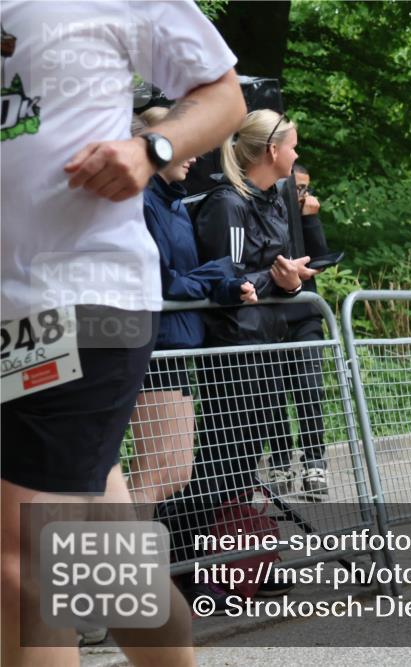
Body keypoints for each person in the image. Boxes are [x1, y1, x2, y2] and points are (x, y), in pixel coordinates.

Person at [0, 2, 245, 664]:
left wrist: (151, 148)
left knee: (25, 565)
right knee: (107, 563)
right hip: (8, 319)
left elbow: (223, 96)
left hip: (80, 300)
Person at [158, 109, 313, 605]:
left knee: (243, 466)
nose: (296, 155)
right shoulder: (227, 203)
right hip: (234, 349)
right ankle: (183, 565)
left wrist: (287, 282)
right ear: (271, 150)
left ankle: (239, 565)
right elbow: (231, 280)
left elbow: (263, 278)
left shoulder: (275, 200)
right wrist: (276, 280)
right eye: (291, 146)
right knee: (218, 464)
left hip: (266, 343)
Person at [128, 107, 257, 515]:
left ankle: (120, 566)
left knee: (175, 472)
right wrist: (214, 274)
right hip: (154, 344)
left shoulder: (176, 204)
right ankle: (111, 571)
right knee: (153, 473)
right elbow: (163, 282)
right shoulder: (142, 203)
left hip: (181, 343)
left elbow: (189, 274)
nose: (196, 156)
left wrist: (228, 284)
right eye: (184, 144)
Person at [265, 162, 334, 499]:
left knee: (309, 389)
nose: (301, 193)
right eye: (296, 187)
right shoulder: (267, 207)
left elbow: (319, 260)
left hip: (305, 315)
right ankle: (279, 462)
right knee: (274, 393)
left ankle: (314, 463)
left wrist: (311, 218)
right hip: (271, 317)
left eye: (305, 187)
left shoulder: (303, 212)